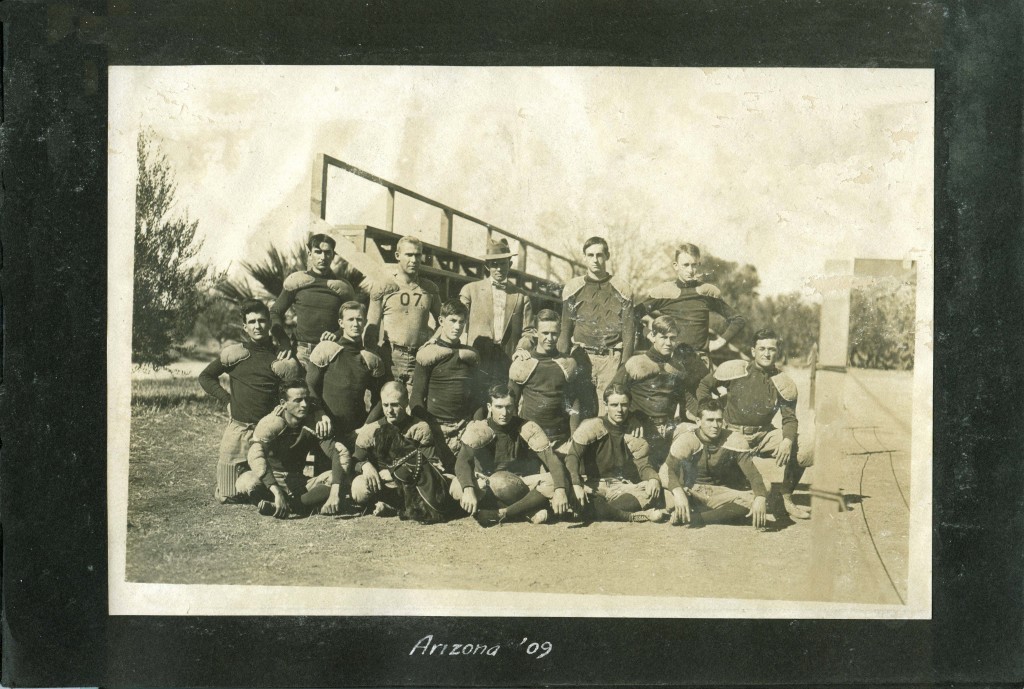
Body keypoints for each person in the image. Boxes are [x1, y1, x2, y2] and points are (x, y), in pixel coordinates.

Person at [696, 328, 811, 520]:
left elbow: (789, 418)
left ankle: (786, 497)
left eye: (771, 349)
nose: (766, 353)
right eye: (762, 348)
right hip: (732, 433)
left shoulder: (782, 382)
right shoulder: (735, 370)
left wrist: (787, 441)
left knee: (806, 447)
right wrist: (709, 415)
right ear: (752, 351)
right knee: (751, 486)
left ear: (777, 351)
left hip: (763, 434)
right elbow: (703, 387)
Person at [198, 299, 304, 504]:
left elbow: (295, 392)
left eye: (262, 321)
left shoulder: (280, 357)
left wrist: (286, 345)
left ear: (269, 324)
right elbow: (205, 377)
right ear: (245, 327)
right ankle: (253, 484)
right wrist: (227, 399)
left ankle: (263, 487)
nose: (258, 326)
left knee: (283, 486)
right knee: (226, 495)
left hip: (267, 433)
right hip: (238, 431)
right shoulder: (235, 354)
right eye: (252, 322)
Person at [452, 384, 574, 527]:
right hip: (486, 485)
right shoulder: (479, 428)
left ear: (515, 406)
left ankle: (503, 513)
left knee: (555, 481)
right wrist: (468, 489)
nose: (504, 412)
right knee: (456, 486)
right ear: (489, 407)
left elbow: (551, 459)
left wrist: (560, 489)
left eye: (509, 407)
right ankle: (526, 509)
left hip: (519, 485)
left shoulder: (527, 427)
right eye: (499, 407)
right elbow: (462, 461)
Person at [559, 385, 668, 523]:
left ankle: (597, 511)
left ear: (629, 406)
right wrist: (575, 484)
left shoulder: (633, 430)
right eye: (614, 405)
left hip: (619, 486)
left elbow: (643, 465)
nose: (619, 410)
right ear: (605, 405)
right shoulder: (592, 427)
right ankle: (630, 516)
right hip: (592, 484)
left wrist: (653, 478)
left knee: (651, 491)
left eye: (624, 405)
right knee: (568, 492)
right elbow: (572, 456)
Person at [235, 380, 343, 518]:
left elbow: (337, 452)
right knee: (246, 481)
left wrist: (335, 493)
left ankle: (290, 505)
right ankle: (286, 502)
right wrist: (276, 491)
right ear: (283, 403)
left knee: (336, 475)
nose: (304, 405)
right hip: (271, 478)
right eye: (298, 400)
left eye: (306, 399)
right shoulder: (271, 423)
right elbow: (255, 456)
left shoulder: (313, 422)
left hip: (297, 480)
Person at [557, 236, 636, 417]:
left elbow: (629, 333)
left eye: (599, 255)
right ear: (584, 257)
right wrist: (562, 359)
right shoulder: (573, 287)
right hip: (581, 356)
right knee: (578, 408)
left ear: (607, 256)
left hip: (611, 358)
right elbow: (565, 329)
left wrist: (624, 365)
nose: (595, 260)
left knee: (605, 410)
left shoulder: (623, 288)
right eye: (590, 255)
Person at [660, 400, 769, 529]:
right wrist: (679, 493)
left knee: (763, 491)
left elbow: (753, 474)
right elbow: (670, 470)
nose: (715, 425)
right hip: (692, 490)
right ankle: (710, 514)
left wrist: (761, 497)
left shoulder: (734, 439)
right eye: (710, 420)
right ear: (698, 421)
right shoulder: (687, 439)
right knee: (669, 488)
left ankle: (696, 518)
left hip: (720, 493)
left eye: (718, 420)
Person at [306, 301, 387, 474]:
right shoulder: (327, 349)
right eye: (350, 319)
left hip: (355, 432)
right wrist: (319, 413)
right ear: (341, 323)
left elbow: (383, 397)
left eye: (359, 319)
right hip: (327, 430)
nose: (355, 324)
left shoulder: (370, 358)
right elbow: (309, 385)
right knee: (327, 483)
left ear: (365, 323)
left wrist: (366, 426)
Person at [610, 315, 699, 469]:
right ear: (652, 336)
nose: (668, 343)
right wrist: (631, 419)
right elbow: (612, 393)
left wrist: (700, 417)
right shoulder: (636, 362)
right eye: (663, 337)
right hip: (639, 429)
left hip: (667, 430)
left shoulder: (677, 368)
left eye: (672, 338)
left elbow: (687, 400)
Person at [639, 243, 746, 370]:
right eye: (685, 265)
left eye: (694, 265)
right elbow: (632, 315)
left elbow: (738, 319)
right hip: (672, 361)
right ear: (676, 266)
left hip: (700, 361)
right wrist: (649, 334)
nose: (690, 270)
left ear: (698, 265)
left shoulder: (706, 292)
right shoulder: (664, 292)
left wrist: (719, 342)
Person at [410, 299, 487, 461]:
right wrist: (429, 428)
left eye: (461, 322)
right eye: (452, 321)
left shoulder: (471, 355)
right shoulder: (429, 353)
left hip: (464, 427)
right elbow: (416, 397)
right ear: (441, 321)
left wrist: (477, 425)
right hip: (436, 426)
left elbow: (478, 398)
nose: (457, 326)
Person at [345, 382, 438, 515]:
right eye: (385, 405)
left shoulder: (419, 428)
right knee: (359, 488)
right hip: (381, 484)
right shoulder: (371, 430)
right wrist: (364, 466)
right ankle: (392, 506)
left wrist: (397, 472)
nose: (389, 411)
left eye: (395, 405)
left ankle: (393, 508)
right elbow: (355, 460)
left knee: (433, 488)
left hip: (409, 483)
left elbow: (430, 464)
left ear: (406, 402)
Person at [365, 235, 442, 392]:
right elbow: (371, 327)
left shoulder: (430, 288)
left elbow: (444, 322)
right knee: (385, 404)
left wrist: (433, 341)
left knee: (416, 406)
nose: (414, 260)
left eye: (418, 255)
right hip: (391, 357)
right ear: (397, 256)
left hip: (420, 356)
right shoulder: (384, 286)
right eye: (409, 255)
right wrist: (373, 357)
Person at [270, 233, 356, 366]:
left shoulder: (342, 286)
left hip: (332, 352)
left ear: (333, 255)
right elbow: (275, 312)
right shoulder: (297, 281)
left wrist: (338, 333)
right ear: (310, 254)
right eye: (318, 252)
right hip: (302, 352)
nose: (323, 257)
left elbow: (354, 319)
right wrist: (284, 341)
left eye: (328, 253)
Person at [458, 238, 535, 384]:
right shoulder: (470, 290)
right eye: (494, 264)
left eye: (503, 264)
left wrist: (521, 349)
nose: (499, 269)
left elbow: (529, 331)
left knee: (503, 402)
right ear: (487, 266)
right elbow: (456, 320)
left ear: (510, 264)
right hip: (477, 357)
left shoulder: (521, 296)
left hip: (508, 359)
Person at [506, 309, 583, 447]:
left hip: (560, 437)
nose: (550, 338)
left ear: (559, 333)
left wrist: (574, 436)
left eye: (554, 334)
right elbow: (511, 402)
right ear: (535, 332)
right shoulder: (523, 363)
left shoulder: (568, 363)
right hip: (529, 437)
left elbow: (575, 402)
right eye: (545, 333)